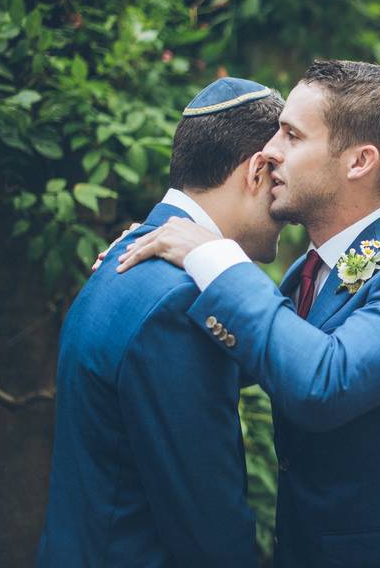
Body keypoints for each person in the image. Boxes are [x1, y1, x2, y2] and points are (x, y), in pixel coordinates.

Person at [114, 60, 380, 567]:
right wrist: (162, 257)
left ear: (359, 162)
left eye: (290, 134)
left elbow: (323, 383)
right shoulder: (307, 273)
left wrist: (213, 257)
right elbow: (248, 354)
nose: (268, 152)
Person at [37, 78, 285, 567]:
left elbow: (270, 354)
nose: (287, 210)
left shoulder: (125, 261)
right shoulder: (180, 301)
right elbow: (206, 518)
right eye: (280, 183)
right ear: (257, 171)